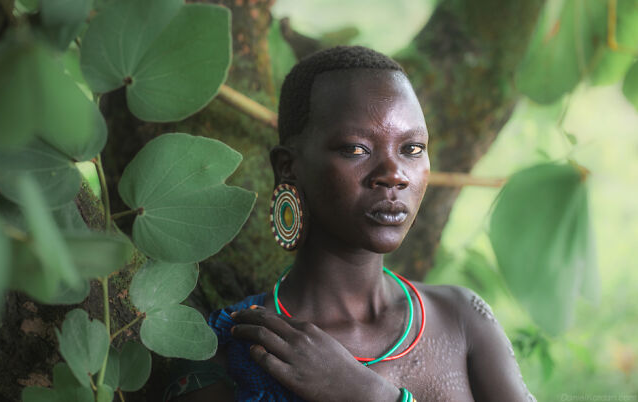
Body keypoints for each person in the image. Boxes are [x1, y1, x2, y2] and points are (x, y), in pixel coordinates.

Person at [168, 46, 535, 401]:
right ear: (288, 167)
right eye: (357, 149)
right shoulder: (232, 350)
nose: (394, 175)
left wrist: (370, 396)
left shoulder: (461, 316)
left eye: (412, 149)